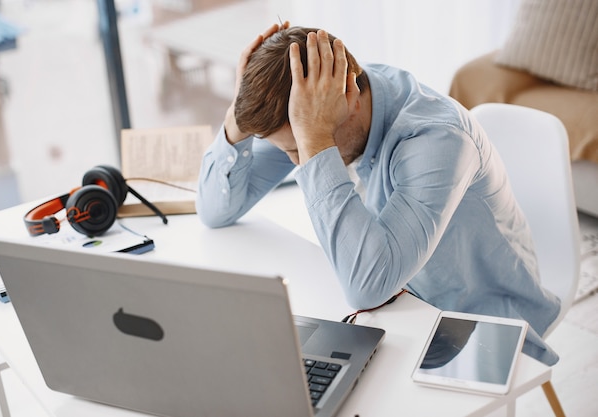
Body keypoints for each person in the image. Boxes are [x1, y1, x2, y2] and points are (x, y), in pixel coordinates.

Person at [196, 23, 560, 365]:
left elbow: (366, 288)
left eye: (301, 148)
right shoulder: (323, 101)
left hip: (479, 320)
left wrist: (314, 139)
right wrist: (236, 120)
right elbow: (215, 211)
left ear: (349, 98)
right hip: (401, 297)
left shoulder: (438, 138)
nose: (296, 160)